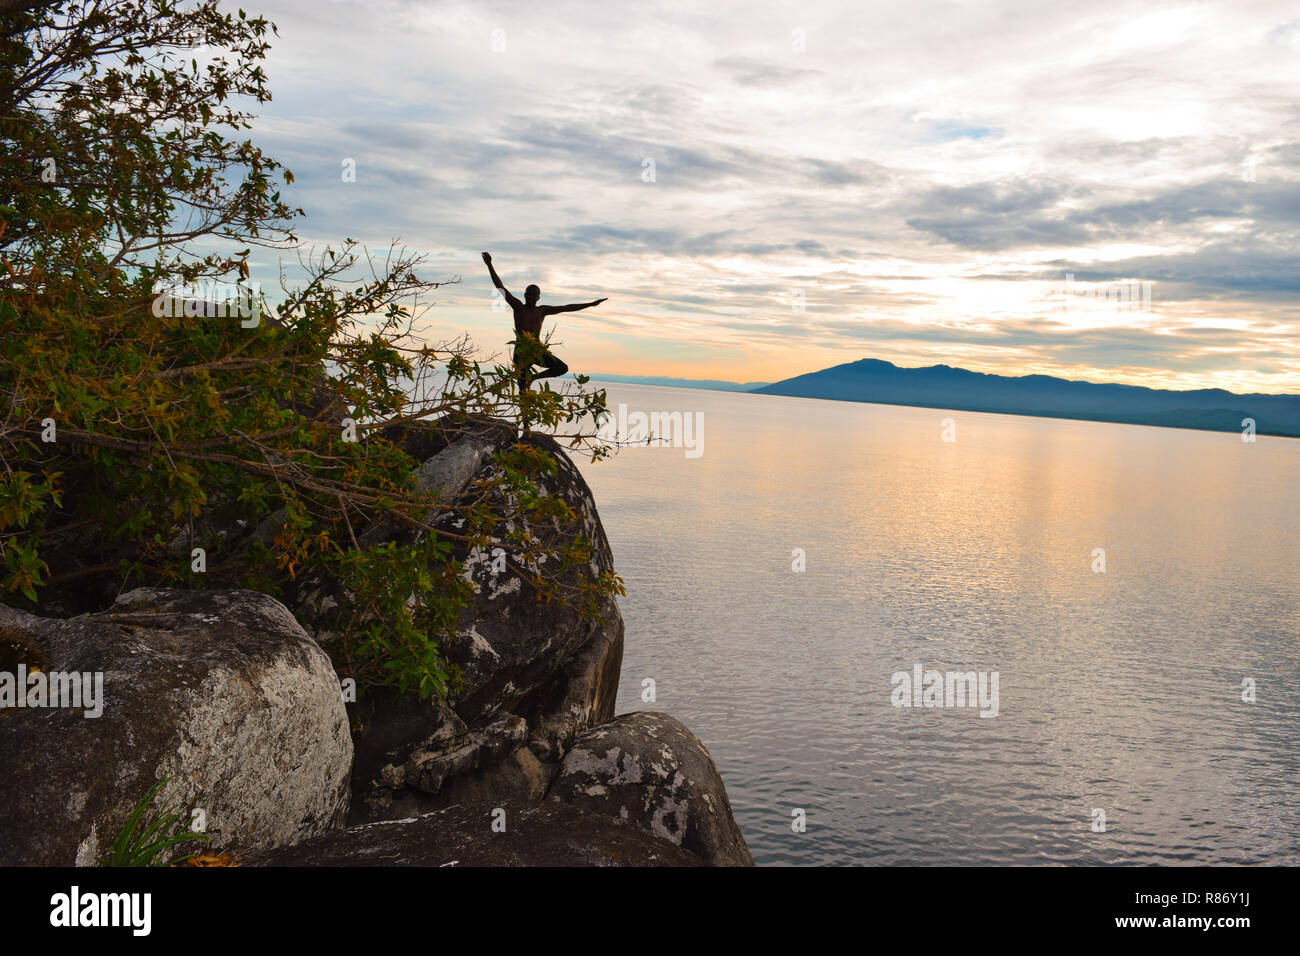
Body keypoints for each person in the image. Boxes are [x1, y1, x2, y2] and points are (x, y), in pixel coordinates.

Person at [481, 251, 606, 393]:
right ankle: (524, 406)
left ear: (538, 297)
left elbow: (567, 307)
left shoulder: (542, 311)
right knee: (523, 391)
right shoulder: (518, 306)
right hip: (521, 353)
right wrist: (490, 265)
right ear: (525, 295)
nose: (531, 296)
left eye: (534, 295)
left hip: (536, 351)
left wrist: (590, 304)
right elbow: (500, 287)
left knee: (561, 368)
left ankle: (533, 378)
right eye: (529, 293)